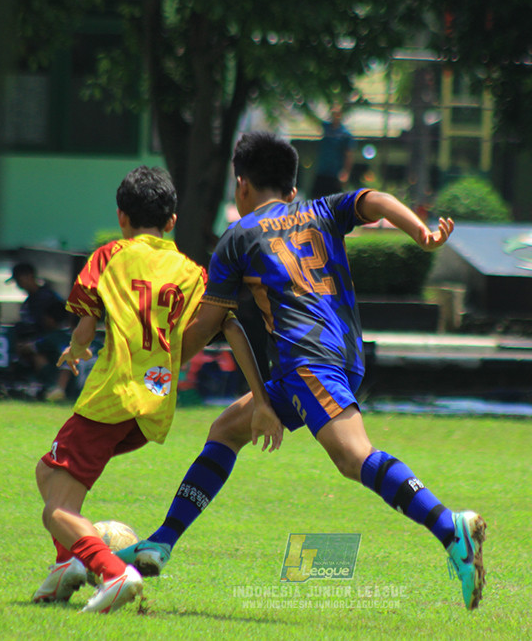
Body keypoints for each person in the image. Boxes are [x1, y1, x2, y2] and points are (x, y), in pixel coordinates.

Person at [117, 132, 487, 611]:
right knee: (227, 428)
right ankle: (161, 543)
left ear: (241, 184)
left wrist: (157, 365)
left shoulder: (239, 236)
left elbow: (209, 324)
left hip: (307, 362)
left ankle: (449, 527)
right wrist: (420, 232)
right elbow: (374, 200)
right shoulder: (321, 209)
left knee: (353, 456)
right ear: (291, 191)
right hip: (343, 357)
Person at [31, 166, 277, 613]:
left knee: (58, 510)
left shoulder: (108, 257)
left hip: (110, 397)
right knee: (47, 473)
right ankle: (65, 564)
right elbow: (229, 325)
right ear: (172, 221)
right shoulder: (193, 273)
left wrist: (75, 349)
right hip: (154, 406)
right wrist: (260, 397)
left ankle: (111, 571)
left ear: (122, 218)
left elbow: (85, 327)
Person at [309, 104, 355, 199]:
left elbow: (349, 155)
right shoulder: (326, 128)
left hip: (335, 173)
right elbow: (313, 118)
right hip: (322, 171)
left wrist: (345, 172)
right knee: (316, 198)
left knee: (333, 200)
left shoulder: (345, 134)